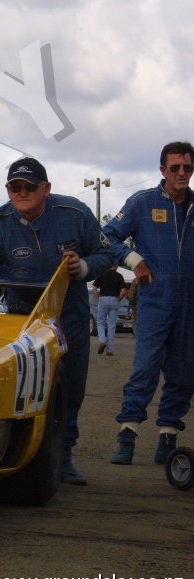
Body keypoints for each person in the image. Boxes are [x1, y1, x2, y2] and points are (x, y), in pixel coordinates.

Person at [0, 157, 114, 485]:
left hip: (70, 315)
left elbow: (106, 253)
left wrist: (83, 267)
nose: (22, 192)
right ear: (8, 190)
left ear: (46, 188)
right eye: (15, 187)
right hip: (22, 320)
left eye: (30, 187)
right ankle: (18, 455)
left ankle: (63, 458)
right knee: (25, 389)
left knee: (71, 390)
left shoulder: (75, 213)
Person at [105, 141, 194, 466]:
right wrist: (135, 261)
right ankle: (127, 435)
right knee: (145, 368)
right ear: (162, 170)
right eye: (175, 167)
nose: (182, 173)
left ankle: (168, 436)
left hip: (189, 304)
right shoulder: (142, 203)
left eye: (187, 167)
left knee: (184, 371)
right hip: (155, 300)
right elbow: (106, 236)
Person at [91, 264, 126, 356]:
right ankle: (110, 350)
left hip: (103, 299)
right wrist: (119, 298)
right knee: (112, 325)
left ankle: (102, 340)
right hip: (115, 299)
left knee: (100, 322)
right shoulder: (119, 276)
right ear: (115, 266)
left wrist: (97, 296)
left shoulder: (101, 274)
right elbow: (123, 290)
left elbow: (94, 288)